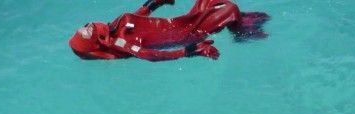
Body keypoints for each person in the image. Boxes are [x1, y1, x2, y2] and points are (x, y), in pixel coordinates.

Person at [69, 0, 269, 61]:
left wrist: (155, 3)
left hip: (179, 22)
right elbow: (150, 55)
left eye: (83, 26)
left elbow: (136, 18)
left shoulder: (113, 28)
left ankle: (241, 25)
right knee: (230, 10)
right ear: (95, 41)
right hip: (187, 34)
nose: (88, 26)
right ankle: (242, 34)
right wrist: (190, 51)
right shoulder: (120, 43)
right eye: (85, 32)